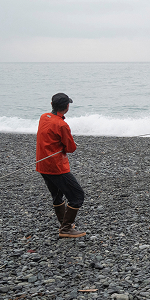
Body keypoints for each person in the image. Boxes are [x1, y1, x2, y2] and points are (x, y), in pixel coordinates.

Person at [36, 93, 86, 238]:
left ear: (51, 104)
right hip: (56, 167)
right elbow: (70, 148)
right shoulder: (62, 124)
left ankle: (64, 223)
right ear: (67, 107)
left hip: (42, 165)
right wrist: (71, 144)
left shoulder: (43, 117)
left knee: (57, 195)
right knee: (77, 196)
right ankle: (65, 228)